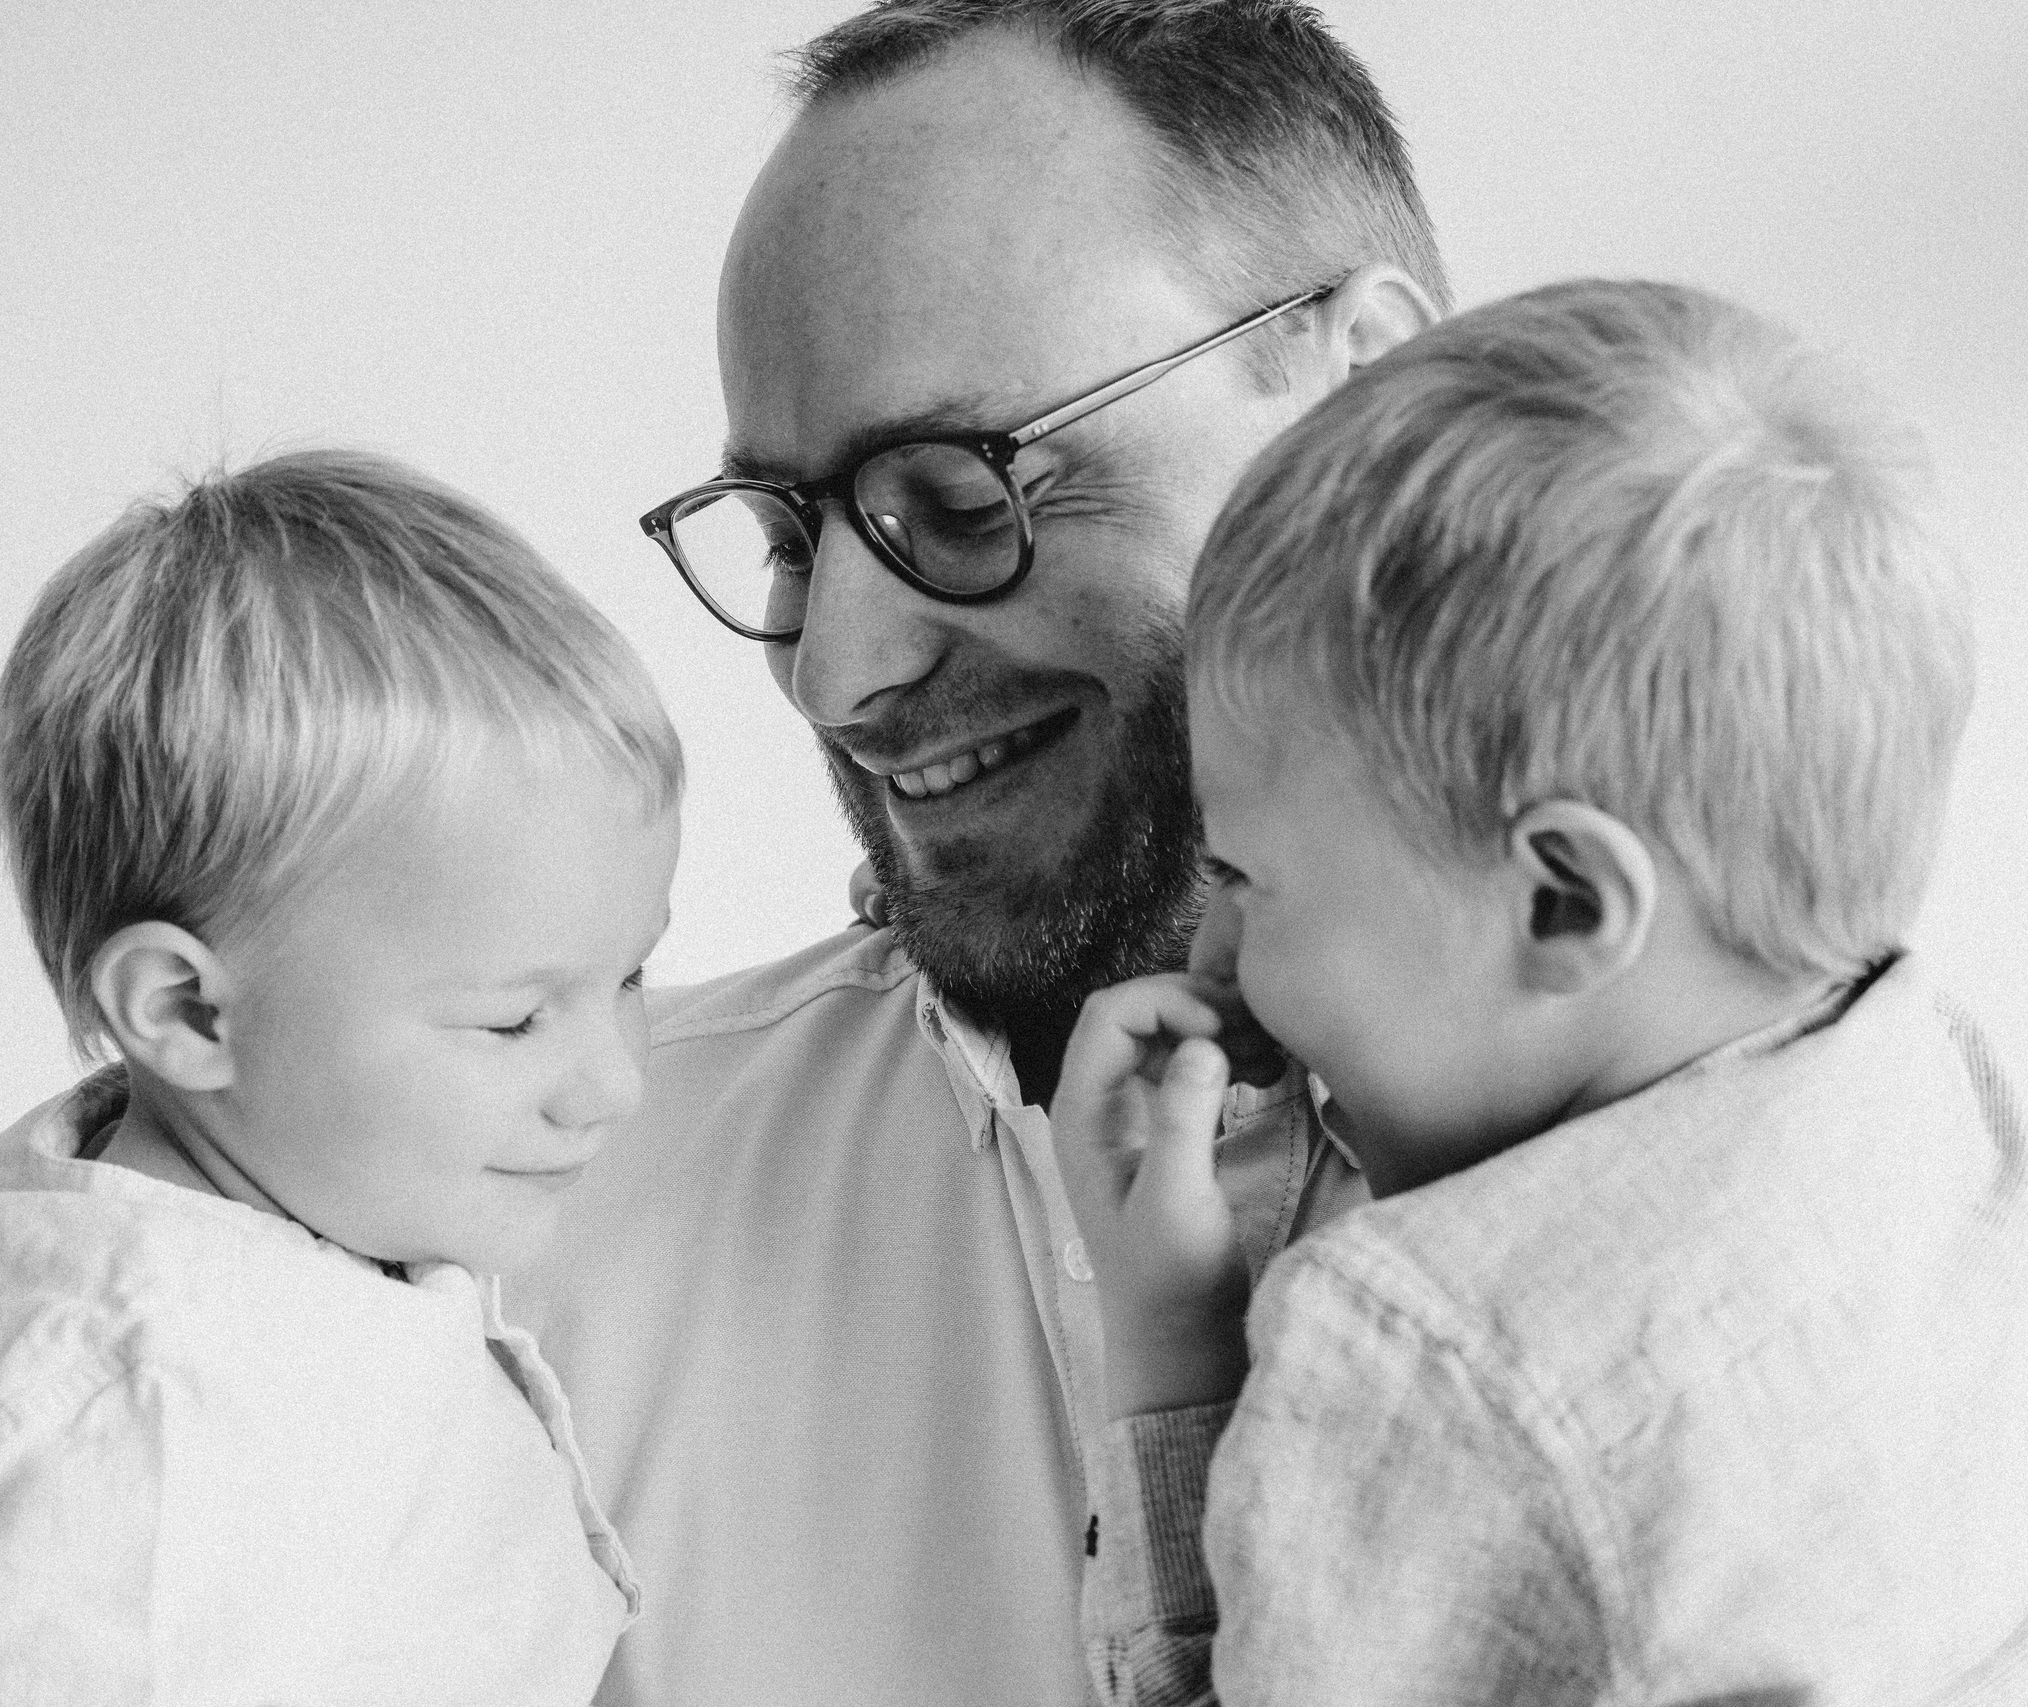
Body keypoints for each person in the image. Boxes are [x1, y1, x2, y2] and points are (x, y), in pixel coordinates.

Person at [513, 3, 1445, 1700]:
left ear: (1359, 393)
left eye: (962, 494)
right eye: (793, 535)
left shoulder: (1851, 1198)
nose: (837, 669)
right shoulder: (532, 1228)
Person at [1054, 279, 2028, 1704]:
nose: (1208, 953)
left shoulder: (1420, 1360)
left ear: (1564, 898)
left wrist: (1171, 1351)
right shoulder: (1941, 1088)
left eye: (1245, 871)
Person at [0, 450, 682, 1703]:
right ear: (189, 1012)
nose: (612, 1083)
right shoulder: (159, 1421)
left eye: (627, 978)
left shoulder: (282, 1220)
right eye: (515, 1020)